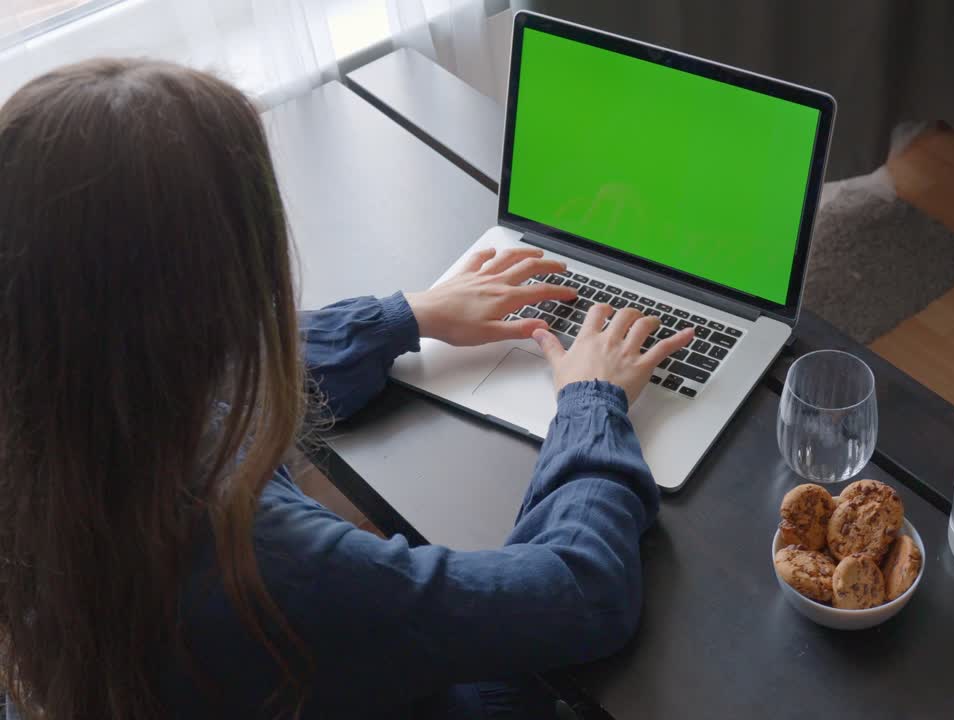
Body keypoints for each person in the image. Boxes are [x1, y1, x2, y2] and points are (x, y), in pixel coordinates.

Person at [0, 58, 694, 719]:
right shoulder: (274, 568)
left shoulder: (61, 424)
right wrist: (591, 401)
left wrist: (406, 316)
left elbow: (230, 379)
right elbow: (582, 594)